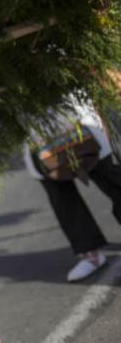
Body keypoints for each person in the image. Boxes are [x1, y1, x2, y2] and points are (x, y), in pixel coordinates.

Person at [23, 97, 121, 281]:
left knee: (112, 177)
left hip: (75, 114)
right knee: (59, 192)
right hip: (36, 132)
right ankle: (90, 253)